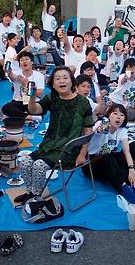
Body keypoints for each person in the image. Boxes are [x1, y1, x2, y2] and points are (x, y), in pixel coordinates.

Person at [14, 66, 94, 205]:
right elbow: (34, 110)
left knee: (39, 165)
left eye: (65, 77)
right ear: (53, 84)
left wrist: (82, 154)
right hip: (49, 145)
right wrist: (32, 97)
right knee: (24, 162)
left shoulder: (83, 102)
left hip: (69, 150)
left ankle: (35, 198)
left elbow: (88, 130)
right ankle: (31, 193)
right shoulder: (52, 97)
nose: (61, 81)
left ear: (72, 81)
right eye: (57, 78)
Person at [83, 104, 135, 203]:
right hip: (90, 165)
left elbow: (126, 151)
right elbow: (99, 130)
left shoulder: (122, 130)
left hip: (107, 164)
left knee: (120, 155)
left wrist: (131, 169)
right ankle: (125, 189)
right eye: (115, 113)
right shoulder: (100, 124)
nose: (118, 117)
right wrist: (101, 129)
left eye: (121, 115)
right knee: (108, 156)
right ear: (109, 115)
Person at [3, 52, 45, 117]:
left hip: (33, 102)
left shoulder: (39, 75)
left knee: (42, 109)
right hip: (18, 102)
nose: (24, 61)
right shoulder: (17, 73)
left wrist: (26, 84)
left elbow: (39, 94)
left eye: (26, 59)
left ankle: (20, 115)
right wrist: (9, 72)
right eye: (21, 60)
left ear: (32, 62)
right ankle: (27, 117)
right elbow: (12, 77)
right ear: (19, 64)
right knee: (6, 108)